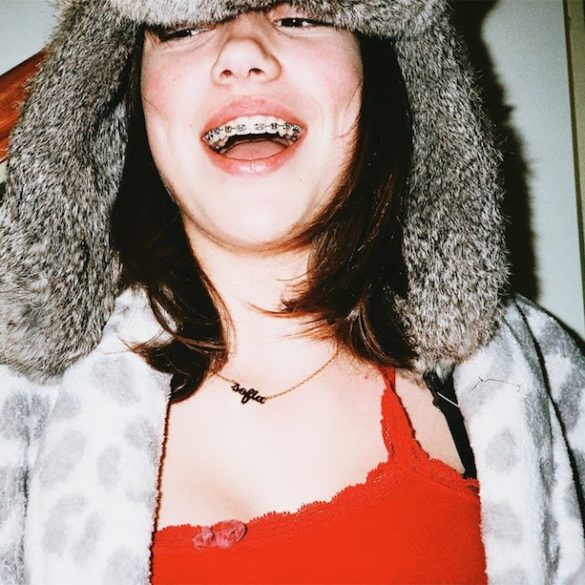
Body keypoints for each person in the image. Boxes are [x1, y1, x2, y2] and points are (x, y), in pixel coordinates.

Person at [0, 0, 583, 583]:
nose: (242, 51)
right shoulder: (18, 416)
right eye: (183, 26)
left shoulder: (539, 379)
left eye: (300, 14)